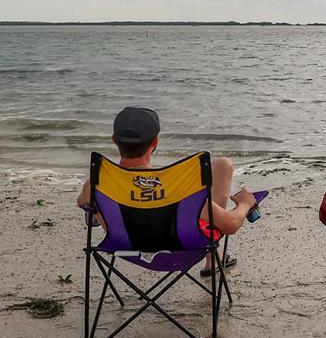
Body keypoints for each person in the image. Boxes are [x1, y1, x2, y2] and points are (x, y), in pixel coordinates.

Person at [76, 106, 258, 276]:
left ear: (114, 140)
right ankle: (213, 260)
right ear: (155, 142)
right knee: (223, 166)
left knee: (221, 165)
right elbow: (231, 224)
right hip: (186, 248)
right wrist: (245, 203)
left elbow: (82, 202)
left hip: (125, 248)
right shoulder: (180, 191)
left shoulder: (96, 186)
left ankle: (213, 260)